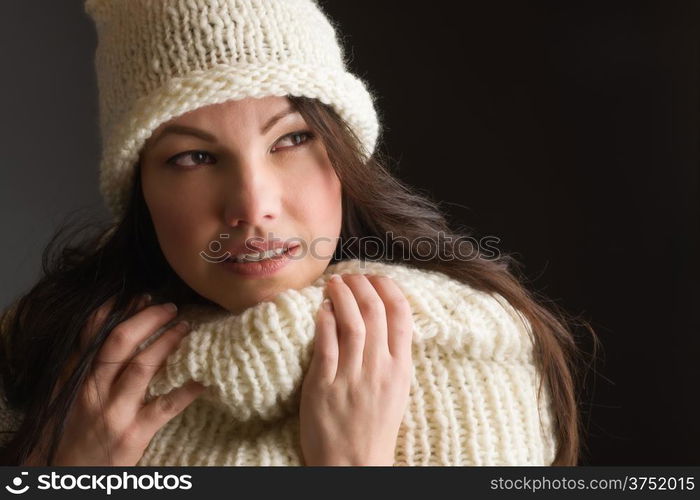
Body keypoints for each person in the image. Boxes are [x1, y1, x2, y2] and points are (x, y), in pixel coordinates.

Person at [0, 0, 595, 466]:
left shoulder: (466, 357)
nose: (253, 207)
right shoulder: (49, 362)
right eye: (193, 159)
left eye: (290, 140)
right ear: (141, 192)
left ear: (343, 157)